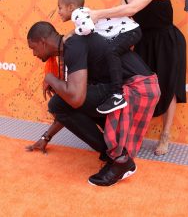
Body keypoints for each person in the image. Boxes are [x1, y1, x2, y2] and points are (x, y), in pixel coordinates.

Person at [26, 21, 160, 186]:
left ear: (42, 42)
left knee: (60, 102)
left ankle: (120, 160)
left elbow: (75, 99)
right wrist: (46, 136)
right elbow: (70, 104)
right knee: (62, 101)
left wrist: (50, 79)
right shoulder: (71, 48)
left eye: (33, 48)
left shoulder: (73, 46)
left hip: (138, 88)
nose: (33, 54)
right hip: (129, 88)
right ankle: (115, 157)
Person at [88, 0, 187, 156]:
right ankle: (136, 134)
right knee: (140, 87)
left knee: (168, 88)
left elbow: (133, 9)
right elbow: (122, 18)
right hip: (143, 42)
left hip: (167, 41)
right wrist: (91, 27)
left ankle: (165, 136)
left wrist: (97, 12)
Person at [58, 0, 142, 114]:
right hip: (129, 31)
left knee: (111, 52)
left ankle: (117, 95)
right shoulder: (82, 14)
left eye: (60, 8)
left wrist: (73, 34)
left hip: (130, 31)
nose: (58, 12)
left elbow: (88, 28)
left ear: (71, 7)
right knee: (110, 51)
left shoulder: (77, 14)